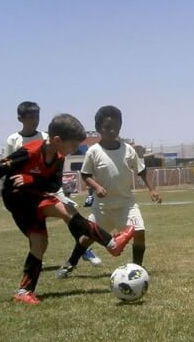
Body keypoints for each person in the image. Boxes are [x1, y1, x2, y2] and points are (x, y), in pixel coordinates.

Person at [0, 113, 135, 304]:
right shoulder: (30, 152)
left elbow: (53, 185)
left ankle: (24, 292)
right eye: (73, 146)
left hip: (36, 195)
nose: (75, 149)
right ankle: (112, 244)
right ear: (58, 140)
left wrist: (31, 179)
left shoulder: (59, 157)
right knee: (60, 216)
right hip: (16, 199)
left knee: (41, 241)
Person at [56, 106, 162, 278]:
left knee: (140, 232)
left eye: (116, 127)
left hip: (126, 204)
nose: (112, 131)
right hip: (102, 207)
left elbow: (141, 170)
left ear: (120, 126)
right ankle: (70, 263)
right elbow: (85, 174)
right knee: (86, 238)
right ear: (98, 128)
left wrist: (152, 189)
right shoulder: (93, 151)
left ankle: (137, 268)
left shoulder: (128, 149)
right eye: (107, 128)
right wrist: (96, 187)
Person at [5, 101, 102, 266]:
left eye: (37, 116)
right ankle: (35, 258)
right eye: (30, 117)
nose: (35, 120)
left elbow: (56, 161)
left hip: (49, 187)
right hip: (28, 191)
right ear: (20, 119)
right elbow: (9, 165)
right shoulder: (13, 140)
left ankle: (84, 249)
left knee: (69, 213)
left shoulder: (45, 137)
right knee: (35, 228)